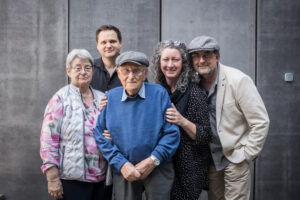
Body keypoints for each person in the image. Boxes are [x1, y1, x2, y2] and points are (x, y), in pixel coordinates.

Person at [187, 35, 270, 200]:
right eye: (196, 56)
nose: (201, 60)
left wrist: (246, 154)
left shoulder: (238, 80)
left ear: (217, 57)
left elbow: (260, 121)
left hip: (235, 156)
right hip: (211, 159)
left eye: (207, 55)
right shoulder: (193, 83)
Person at [94, 51, 180, 200]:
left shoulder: (159, 94)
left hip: (158, 167)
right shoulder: (110, 97)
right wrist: (121, 163)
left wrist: (154, 160)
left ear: (145, 72)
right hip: (124, 169)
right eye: (126, 71)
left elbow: (172, 133)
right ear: (119, 74)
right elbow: (100, 135)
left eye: (136, 70)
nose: (131, 76)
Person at [40, 49, 111, 200]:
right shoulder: (60, 99)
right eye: (78, 68)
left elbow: (111, 128)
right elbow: (48, 140)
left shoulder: (102, 98)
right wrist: (52, 178)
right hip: (72, 179)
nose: (83, 72)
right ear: (68, 71)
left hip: (102, 178)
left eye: (87, 68)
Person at [150, 40, 211, 200]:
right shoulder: (155, 91)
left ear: (183, 63)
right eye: (165, 59)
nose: (170, 64)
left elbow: (205, 135)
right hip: (161, 163)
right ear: (158, 62)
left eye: (175, 60)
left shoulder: (195, 93)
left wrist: (181, 120)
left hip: (189, 167)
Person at [90, 25, 122, 92]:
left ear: (120, 43)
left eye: (112, 41)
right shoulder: (89, 69)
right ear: (97, 45)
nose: (108, 46)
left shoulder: (132, 68)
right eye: (103, 42)